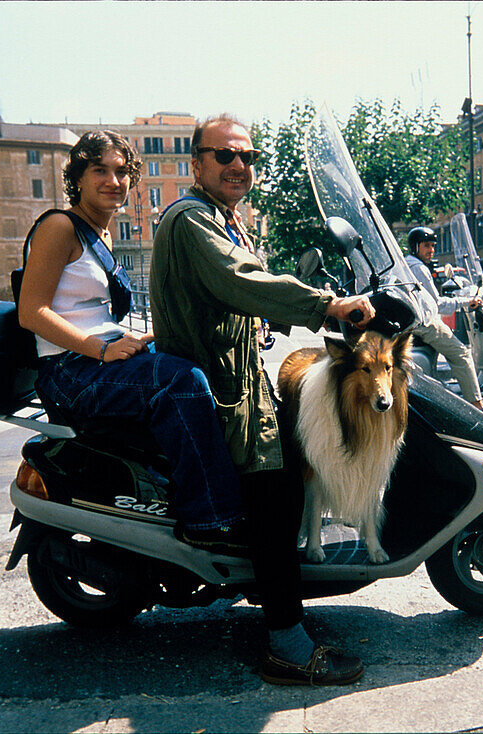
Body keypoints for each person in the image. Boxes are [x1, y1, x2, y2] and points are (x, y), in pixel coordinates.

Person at [149, 116, 375, 687]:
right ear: (196, 163)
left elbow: (238, 295)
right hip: (218, 393)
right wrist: (329, 304)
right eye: (224, 156)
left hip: (238, 379)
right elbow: (241, 280)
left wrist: (270, 319)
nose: (238, 167)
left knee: (293, 473)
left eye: (248, 158)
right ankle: (287, 647)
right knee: (277, 502)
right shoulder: (192, 219)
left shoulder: (223, 219)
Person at [17, 130, 248, 551]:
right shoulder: (59, 226)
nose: (114, 181)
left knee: (193, 356)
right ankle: (213, 518)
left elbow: (88, 314)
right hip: (70, 371)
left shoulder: (100, 233)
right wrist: (102, 349)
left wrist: (138, 337)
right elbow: (32, 312)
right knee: (181, 381)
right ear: (78, 177)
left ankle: (178, 489)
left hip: (92, 360)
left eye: (122, 172)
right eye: (99, 170)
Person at [404, 226, 483, 418]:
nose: (431, 250)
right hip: (425, 322)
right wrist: (466, 302)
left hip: (417, 319)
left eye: (433, 246)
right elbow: (437, 304)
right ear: (415, 246)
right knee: (461, 354)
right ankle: (479, 408)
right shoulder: (419, 268)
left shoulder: (410, 263)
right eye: (426, 246)